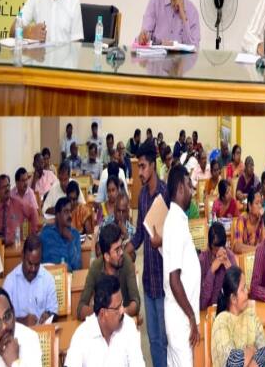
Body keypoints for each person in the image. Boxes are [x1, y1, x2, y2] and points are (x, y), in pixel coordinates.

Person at [126, 141, 167, 367]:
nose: (139, 172)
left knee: (165, 339)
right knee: (152, 340)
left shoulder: (166, 194)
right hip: (148, 282)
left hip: (165, 283)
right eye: (138, 167)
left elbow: (177, 237)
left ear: (152, 165)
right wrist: (124, 250)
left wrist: (163, 240)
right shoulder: (141, 196)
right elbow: (140, 236)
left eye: (142, 166)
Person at [163, 165, 201, 365]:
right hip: (181, 318)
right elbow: (174, 279)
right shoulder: (175, 223)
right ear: (179, 188)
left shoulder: (178, 219)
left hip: (180, 316)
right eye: (189, 185)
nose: (192, 191)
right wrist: (192, 316)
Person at [65, 275, 145, 366]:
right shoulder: (82, 335)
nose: (122, 310)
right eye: (117, 308)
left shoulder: (128, 326)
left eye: (122, 304)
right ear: (102, 313)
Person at [77, 223, 140, 320]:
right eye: (117, 250)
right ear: (106, 256)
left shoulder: (126, 262)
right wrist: (102, 312)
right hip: (102, 323)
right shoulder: (95, 267)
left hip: (124, 320)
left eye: (121, 247)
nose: (122, 252)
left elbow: (136, 302)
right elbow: (81, 309)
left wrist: (122, 311)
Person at [211, 266, 265, 367]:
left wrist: (248, 359)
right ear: (233, 298)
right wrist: (251, 350)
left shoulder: (251, 315)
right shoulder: (221, 321)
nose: (247, 291)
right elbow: (232, 363)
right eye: (243, 289)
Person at [3, 235, 57, 327]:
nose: (33, 269)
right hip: (18, 335)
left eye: (37, 264)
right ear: (22, 256)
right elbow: (3, 319)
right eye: (30, 263)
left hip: (42, 333)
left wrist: (49, 315)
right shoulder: (10, 282)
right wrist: (22, 321)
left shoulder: (48, 279)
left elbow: (54, 312)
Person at [0, 287, 42, 366]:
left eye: (7, 316)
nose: (4, 326)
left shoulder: (30, 338)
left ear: (14, 314)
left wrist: (14, 362)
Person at [0, 175, 37, 246]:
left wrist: (32, 236)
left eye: (8, 186)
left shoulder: (19, 204)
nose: (7, 189)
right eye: (3, 187)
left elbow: (33, 212)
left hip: (16, 248)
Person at [200, 222, 237, 311]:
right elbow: (202, 302)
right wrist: (212, 270)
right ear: (209, 246)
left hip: (227, 310)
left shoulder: (229, 256)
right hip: (207, 311)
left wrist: (229, 268)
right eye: (216, 249)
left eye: (222, 247)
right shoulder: (202, 259)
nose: (219, 252)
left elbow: (237, 292)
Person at [232, 190, 264, 254]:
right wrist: (257, 250)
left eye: (261, 203)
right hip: (243, 260)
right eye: (257, 203)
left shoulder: (262, 220)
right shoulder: (242, 220)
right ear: (249, 206)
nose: (260, 206)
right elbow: (237, 247)